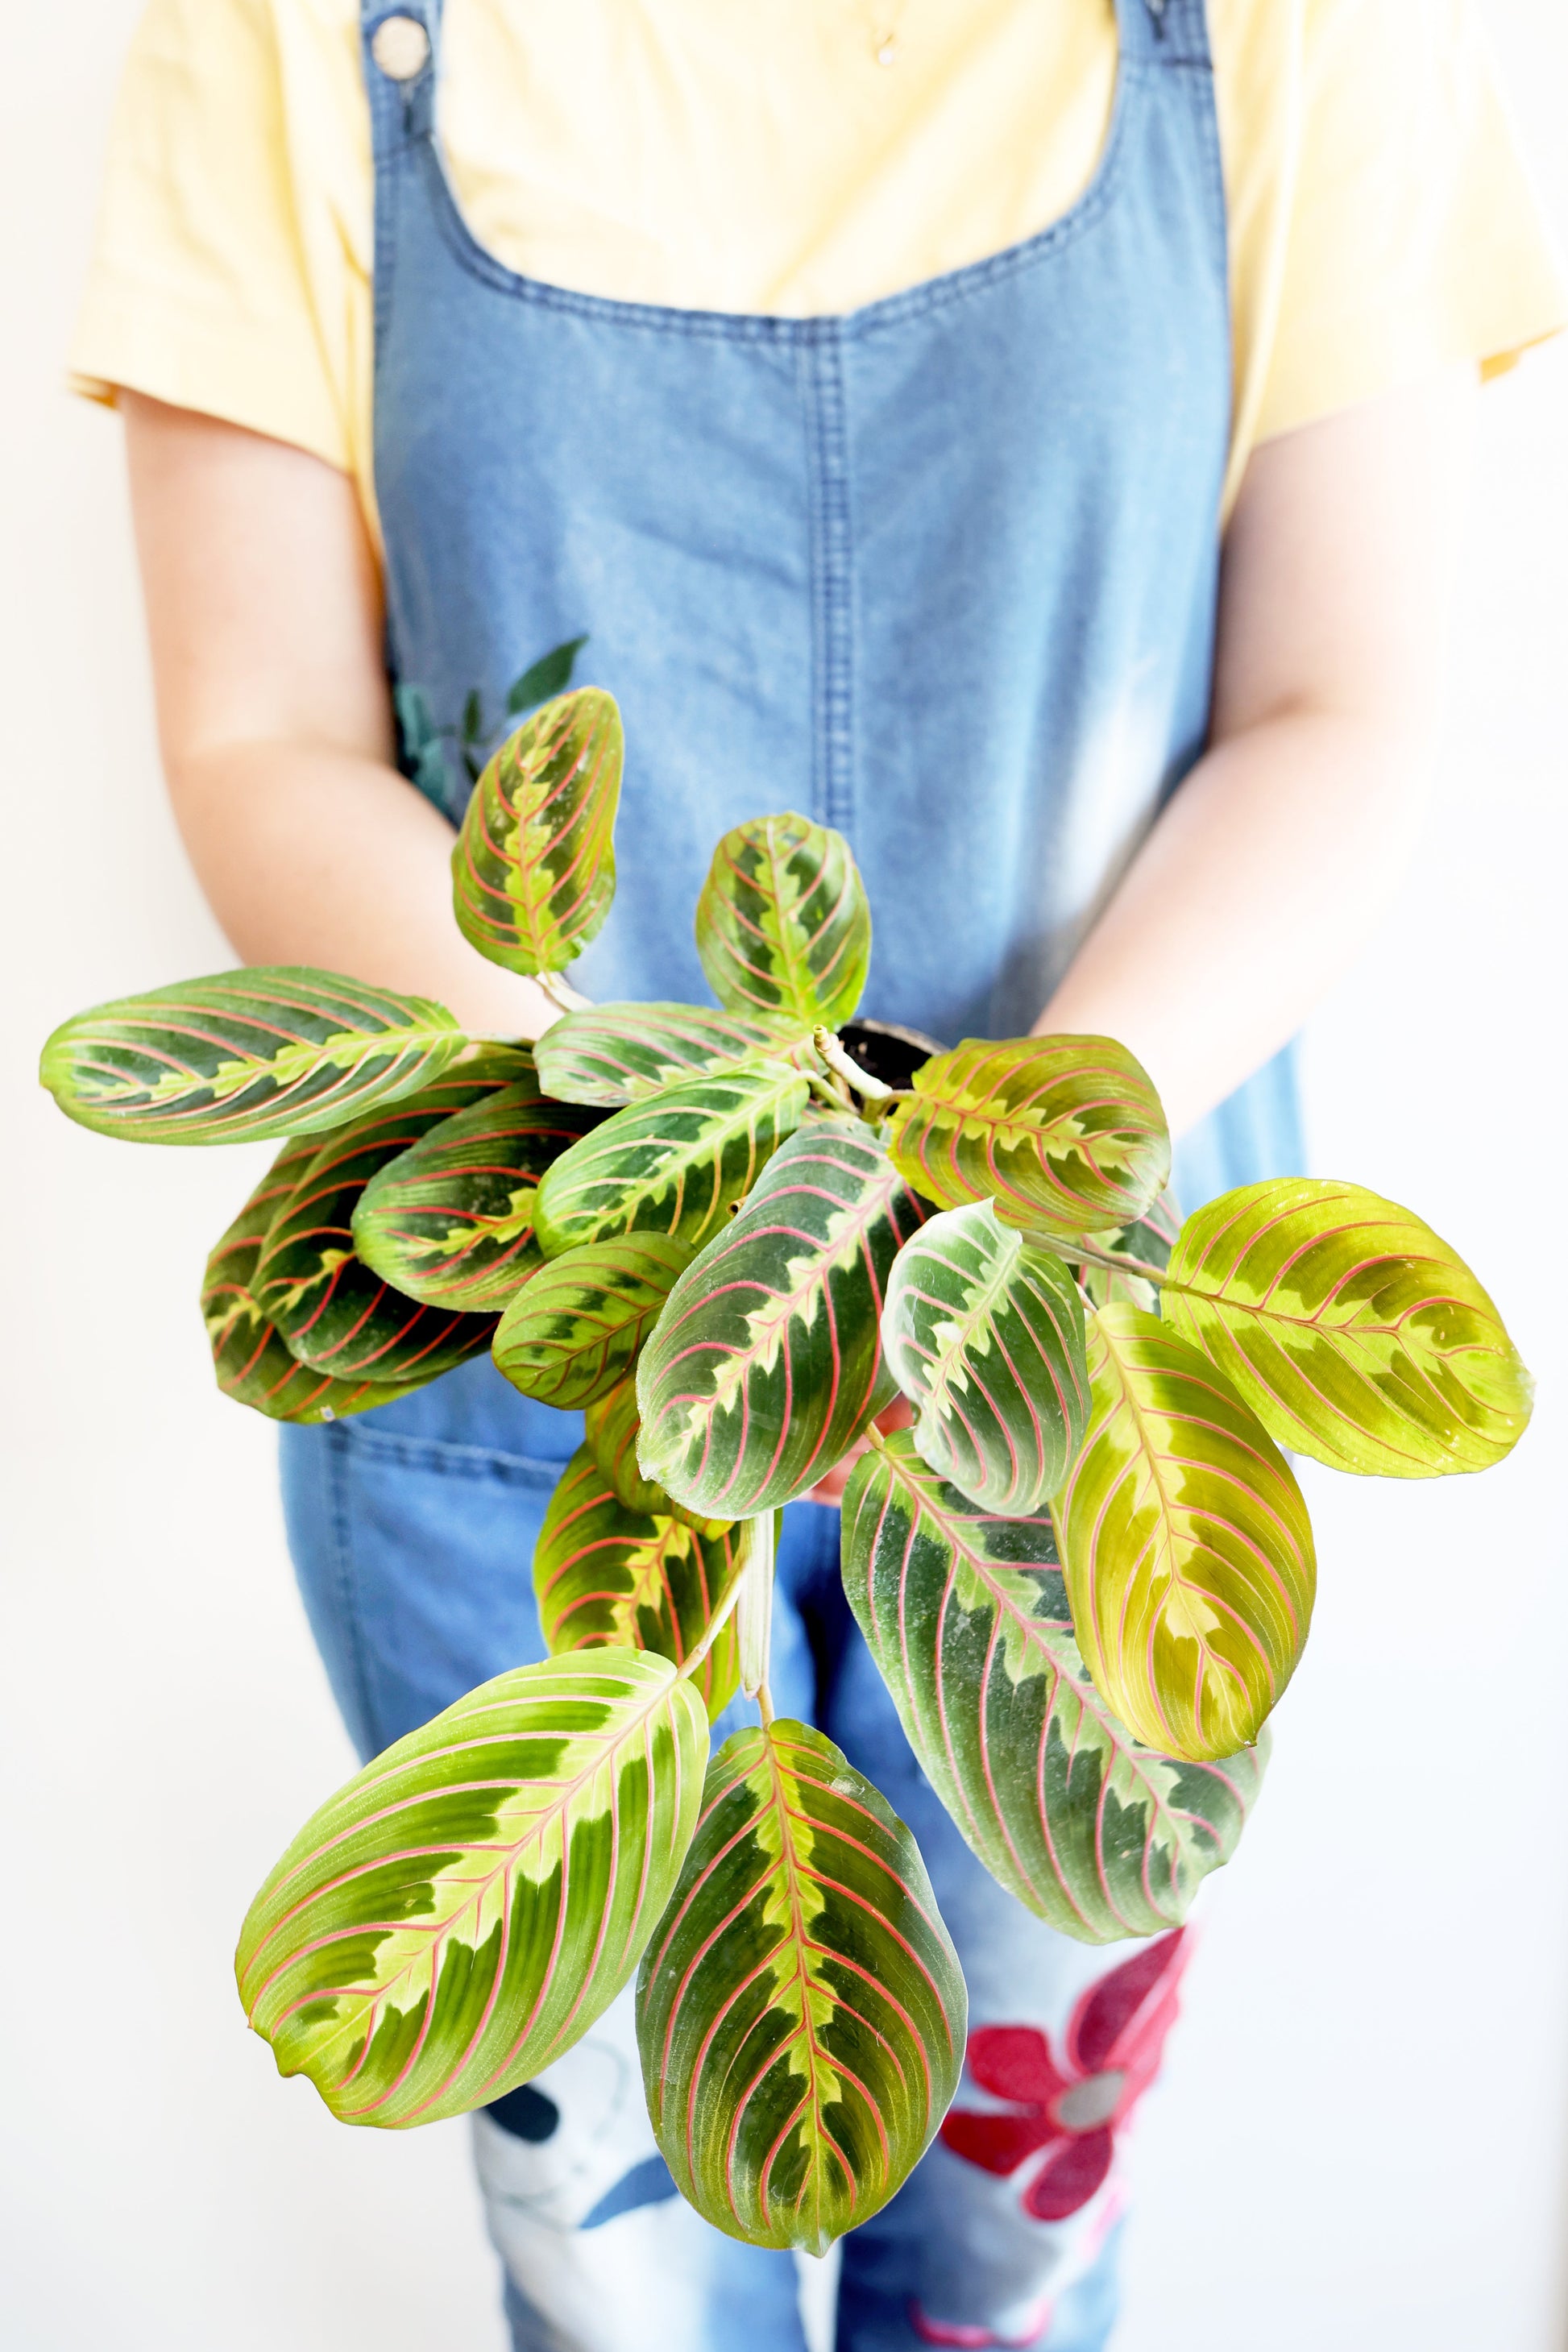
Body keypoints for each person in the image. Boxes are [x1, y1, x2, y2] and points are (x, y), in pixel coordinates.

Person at [72, 2, 1563, 2346]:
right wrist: (692, 1199)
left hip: (1085, 1396)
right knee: (631, 2294)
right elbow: (262, 732)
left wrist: (981, 1192)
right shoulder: (285, 31)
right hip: (528, 1373)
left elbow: (1334, 707)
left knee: (1004, 2270)